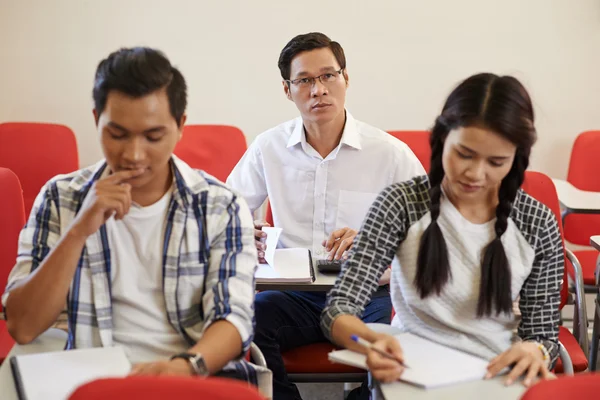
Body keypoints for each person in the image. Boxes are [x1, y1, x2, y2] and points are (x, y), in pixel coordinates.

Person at [2, 47, 271, 396]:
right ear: (96, 118)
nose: (133, 154)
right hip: (89, 378)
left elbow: (233, 319)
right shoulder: (61, 196)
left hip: (190, 372)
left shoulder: (219, 205)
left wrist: (185, 367)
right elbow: (23, 327)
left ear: (180, 127)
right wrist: (79, 229)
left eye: (153, 136)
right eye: (117, 134)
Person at [322, 73, 562, 391]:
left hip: (496, 373)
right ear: (440, 138)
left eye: (497, 161)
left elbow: (544, 335)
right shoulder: (402, 203)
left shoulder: (537, 222)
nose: (476, 173)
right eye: (464, 154)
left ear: (517, 158)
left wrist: (536, 350)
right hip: (408, 371)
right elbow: (337, 310)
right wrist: (366, 340)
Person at [227, 32, 424, 399]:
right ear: (288, 90)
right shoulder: (268, 147)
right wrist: (245, 231)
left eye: (328, 76)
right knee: (247, 322)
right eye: (305, 80)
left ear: (346, 79)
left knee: (405, 342)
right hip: (294, 295)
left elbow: (429, 233)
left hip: (370, 296)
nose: (318, 90)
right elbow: (227, 211)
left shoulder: (390, 153)